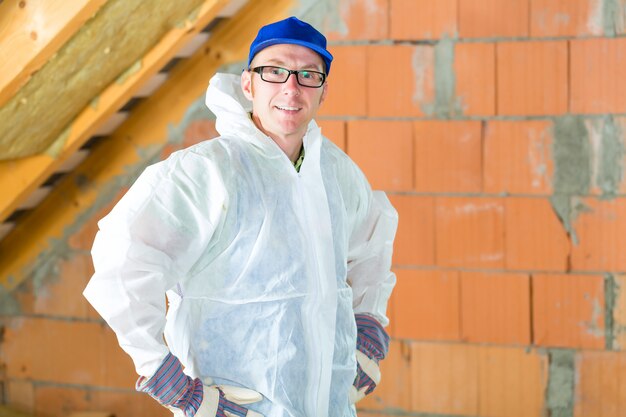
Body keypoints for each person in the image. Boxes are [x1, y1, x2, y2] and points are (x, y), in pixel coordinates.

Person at [83, 16, 397, 417]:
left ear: (323, 92)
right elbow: (122, 264)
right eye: (274, 71)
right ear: (248, 84)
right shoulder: (208, 172)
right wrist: (168, 379)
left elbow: (371, 239)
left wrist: (368, 322)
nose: (291, 87)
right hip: (233, 407)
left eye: (307, 75)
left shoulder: (335, 173)